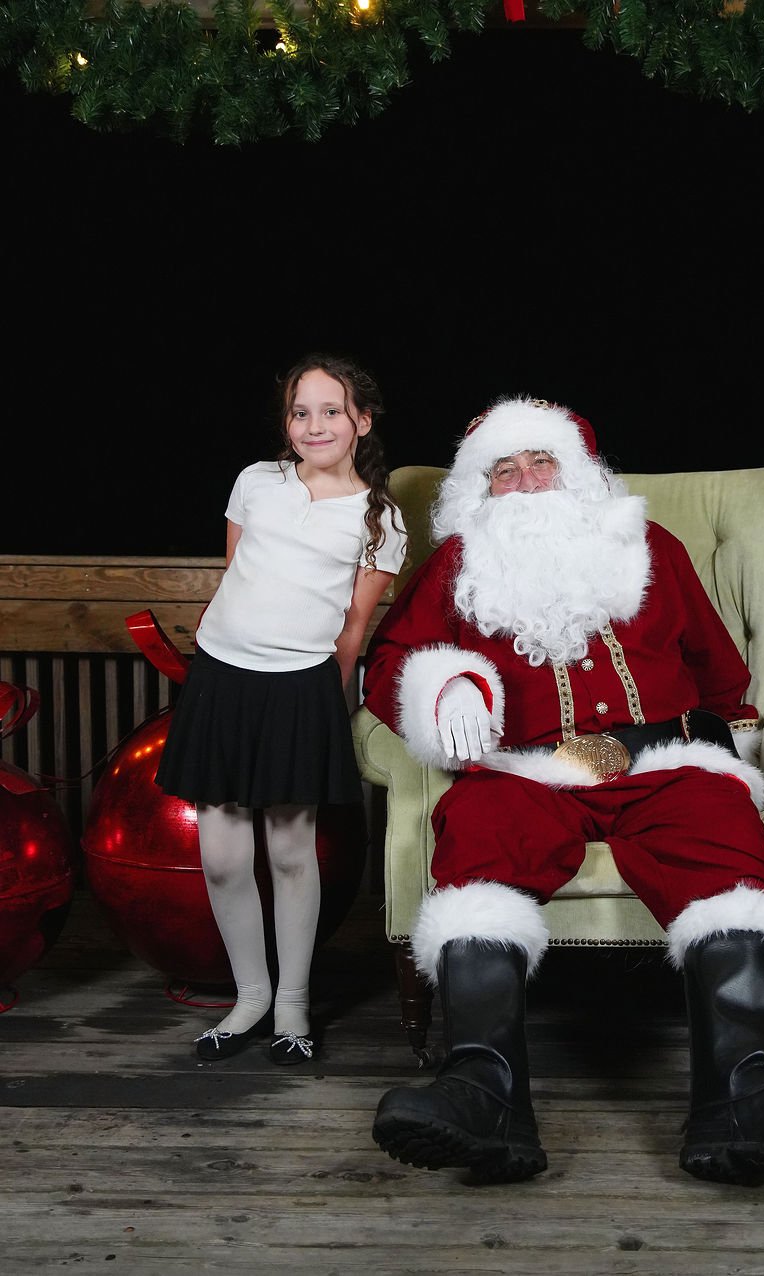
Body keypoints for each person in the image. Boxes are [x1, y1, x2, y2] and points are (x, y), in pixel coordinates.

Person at [359, 395, 764, 1185]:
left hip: (663, 760)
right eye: (505, 469)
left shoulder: (651, 549)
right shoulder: (456, 567)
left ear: (578, 475)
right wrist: (445, 684)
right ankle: (484, 1093)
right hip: (526, 770)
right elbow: (393, 658)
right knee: (479, 830)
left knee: (720, 829)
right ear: (481, 490)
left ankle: (746, 1094)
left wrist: (725, 740)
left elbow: (721, 671)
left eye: (542, 462)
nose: (527, 482)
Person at [156, 353, 408, 1065]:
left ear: (362, 420)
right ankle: (250, 998)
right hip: (225, 678)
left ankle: (293, 1007)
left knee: (293, 854)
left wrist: (324, 712)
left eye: (332, 411)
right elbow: (237, 573)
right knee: (226, 860)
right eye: (301, 411)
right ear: (287, 423)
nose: (315, 424)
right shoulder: (256, 482)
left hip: (301, 688)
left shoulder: (380, 518)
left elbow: (352, 631)